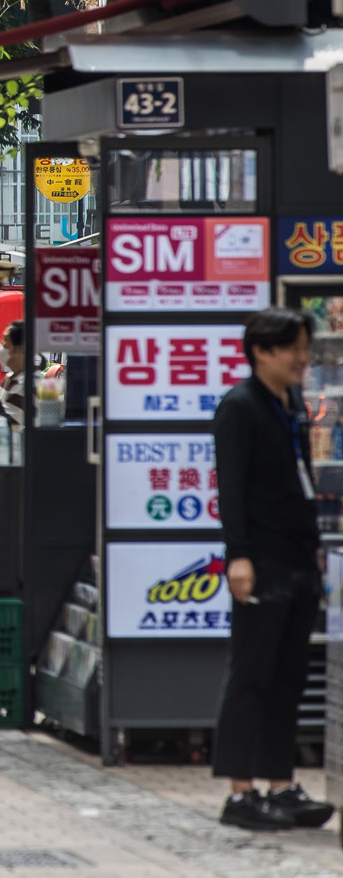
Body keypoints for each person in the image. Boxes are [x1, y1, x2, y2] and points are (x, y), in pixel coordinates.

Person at [210, 308, 333, 831]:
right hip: (258, 558)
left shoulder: (293, 407)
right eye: (294, 349)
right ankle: (241, 792)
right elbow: (231, 489)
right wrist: (238, 554)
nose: (304, 358)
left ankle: (280, 783)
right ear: (262, 351)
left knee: (289, 677)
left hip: (297, 556)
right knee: (252, 674)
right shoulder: (239, 407)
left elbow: (302, 479)